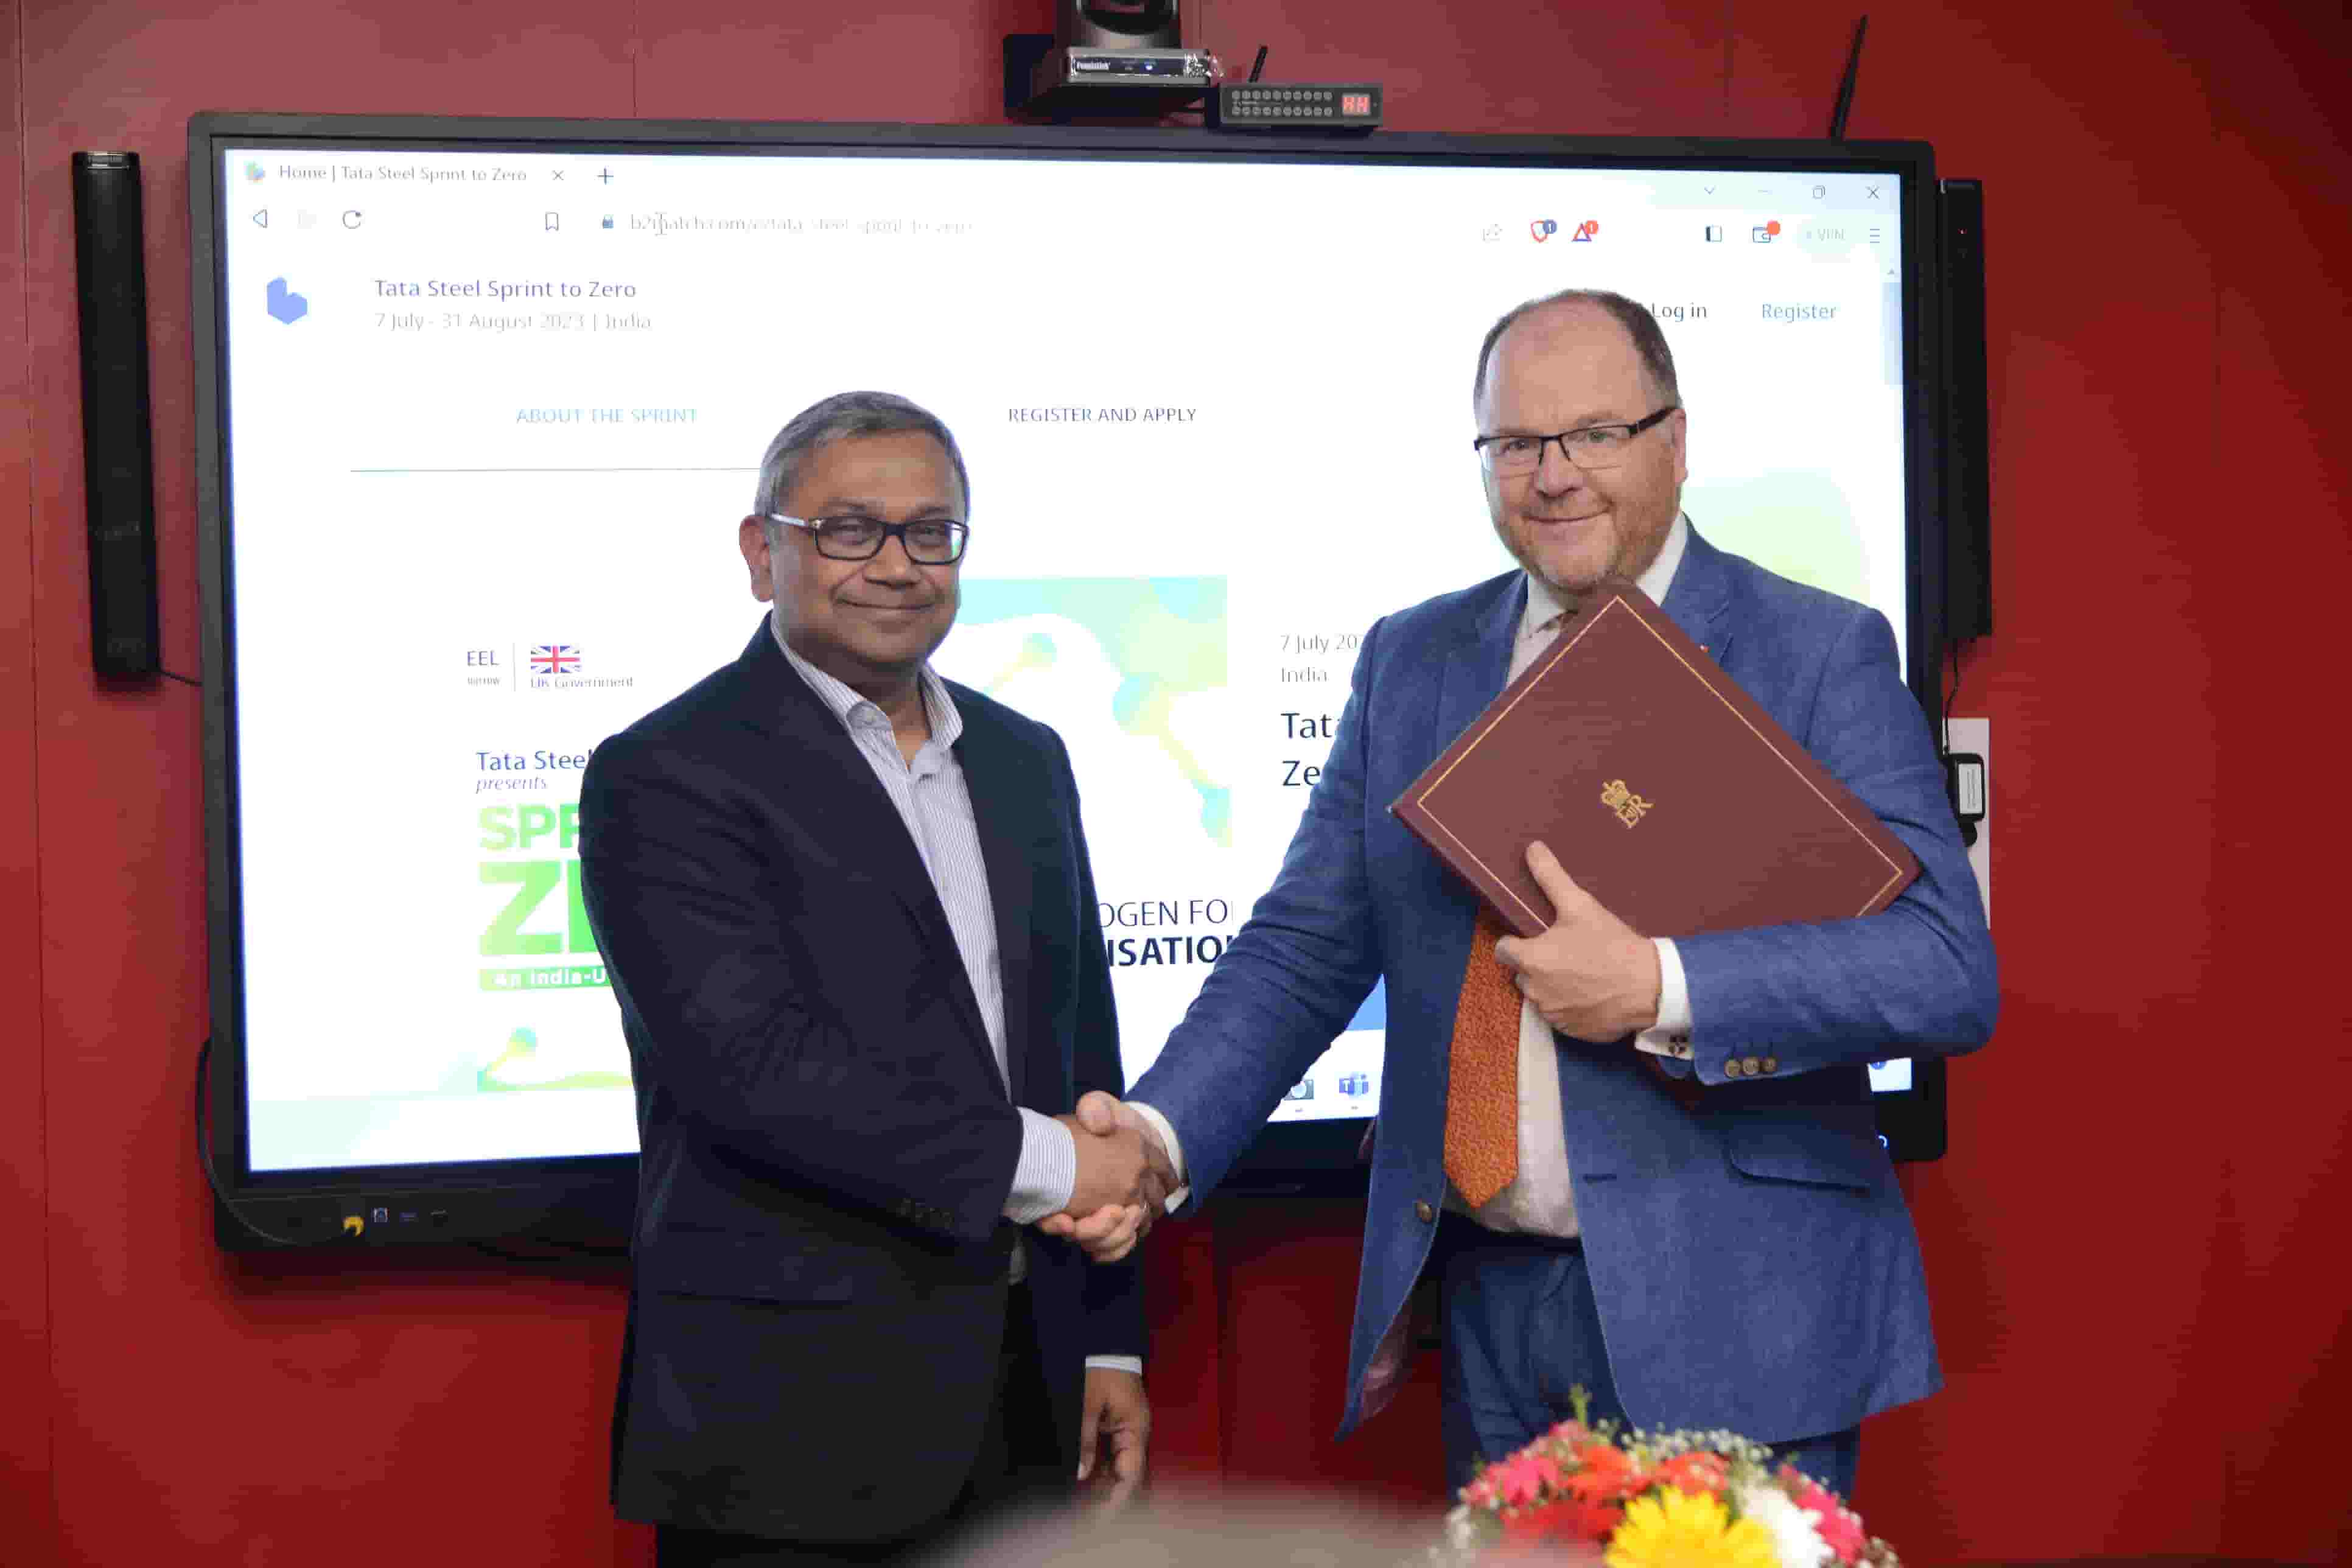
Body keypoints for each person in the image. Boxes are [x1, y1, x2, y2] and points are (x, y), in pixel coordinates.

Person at [1049, 289, 1998, 1501]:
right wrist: (1158, 1136)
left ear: (1676, 441)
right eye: (1516, 443)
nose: (1553, 475)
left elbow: (1943, 968)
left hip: (1738, 1308)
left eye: (1594, 433)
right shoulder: (1414, 656)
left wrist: (1660, 985)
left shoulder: (1816, 649)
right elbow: (1304, 948)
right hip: (1490, 1308)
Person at [580, 390, 1174, 1566]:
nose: (897, 565)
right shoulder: (664, 775)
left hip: (1027, 1389)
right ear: (763, 554)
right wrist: (1066, 1164)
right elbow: (757, 1076)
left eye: (930, 531)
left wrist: (1109, 1338)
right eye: (850, 530)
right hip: (790, 1429)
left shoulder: (1025, 759)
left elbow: (1081, 1054)